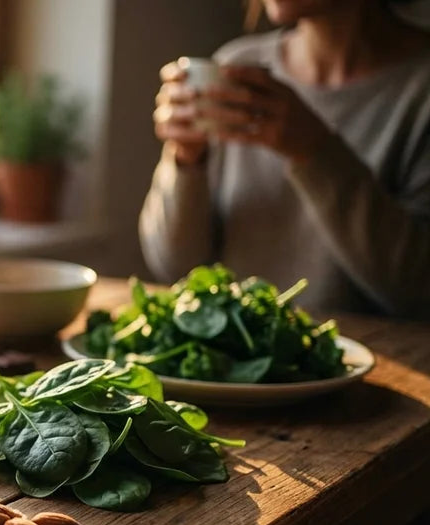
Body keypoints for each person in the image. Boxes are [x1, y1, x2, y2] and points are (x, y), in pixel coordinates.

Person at [140, 0, 430, 319]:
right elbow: (174, 267)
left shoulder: (419, 91)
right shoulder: (237, 68)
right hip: (235, 360)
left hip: (383, 364)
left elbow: (418, 292)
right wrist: (186, 159)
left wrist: (315, 149)